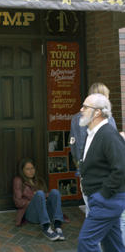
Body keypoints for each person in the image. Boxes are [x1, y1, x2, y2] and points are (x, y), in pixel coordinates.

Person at [77, 93, 125, 252]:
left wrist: (103, 193)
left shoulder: (108, 135)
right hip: (101, 199)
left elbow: (121, 167)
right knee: (113, 245)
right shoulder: (92, 133)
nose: (81, 109)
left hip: (107, 200)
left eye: (85, 106)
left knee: (86, 242)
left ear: (97, 112)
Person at [13, 157, 65, 241]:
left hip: (44, 213)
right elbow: (18, 202)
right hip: (31, 214)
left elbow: (46, 196)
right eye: (27, 169)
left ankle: (58, 226)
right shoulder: (18, 180)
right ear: (22, 170)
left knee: (55, 192)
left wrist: (40, 197)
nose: (31, 171)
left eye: (32, 168)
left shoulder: (39, 180)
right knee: (39, 193)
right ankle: (46, 228)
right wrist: (34, 199)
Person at [69, 83, 116, 171]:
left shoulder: (76, 119)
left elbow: (72, 144)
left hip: (84, 168)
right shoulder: (108, 118)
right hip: (104, 168)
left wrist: (79, 162)